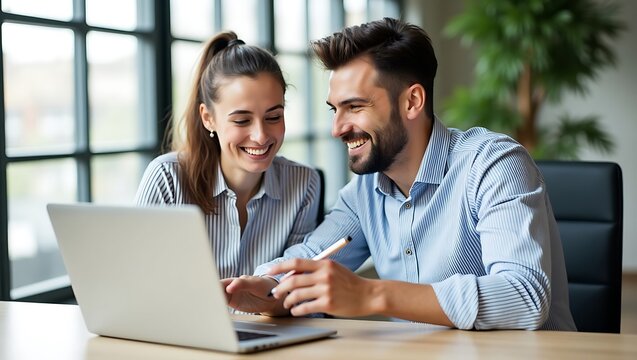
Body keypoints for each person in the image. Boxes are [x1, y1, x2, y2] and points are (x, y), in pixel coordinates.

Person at [223, 18, 577, 331]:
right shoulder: (364, 191)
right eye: (334, 109)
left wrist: (372, 294)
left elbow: (524, 296)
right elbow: (312, 255)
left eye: (355, 107)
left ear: (412, 101)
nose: (337, 128)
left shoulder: (494, 164)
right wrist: (266, 287)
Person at [135, 31, 321, 279]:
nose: (261, 136)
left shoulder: (303, 184)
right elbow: (139, 282)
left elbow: (298, 290)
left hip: (269, 319)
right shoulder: (167, 179)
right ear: (208, 118)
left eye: (274, 117)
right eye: (242, 120)